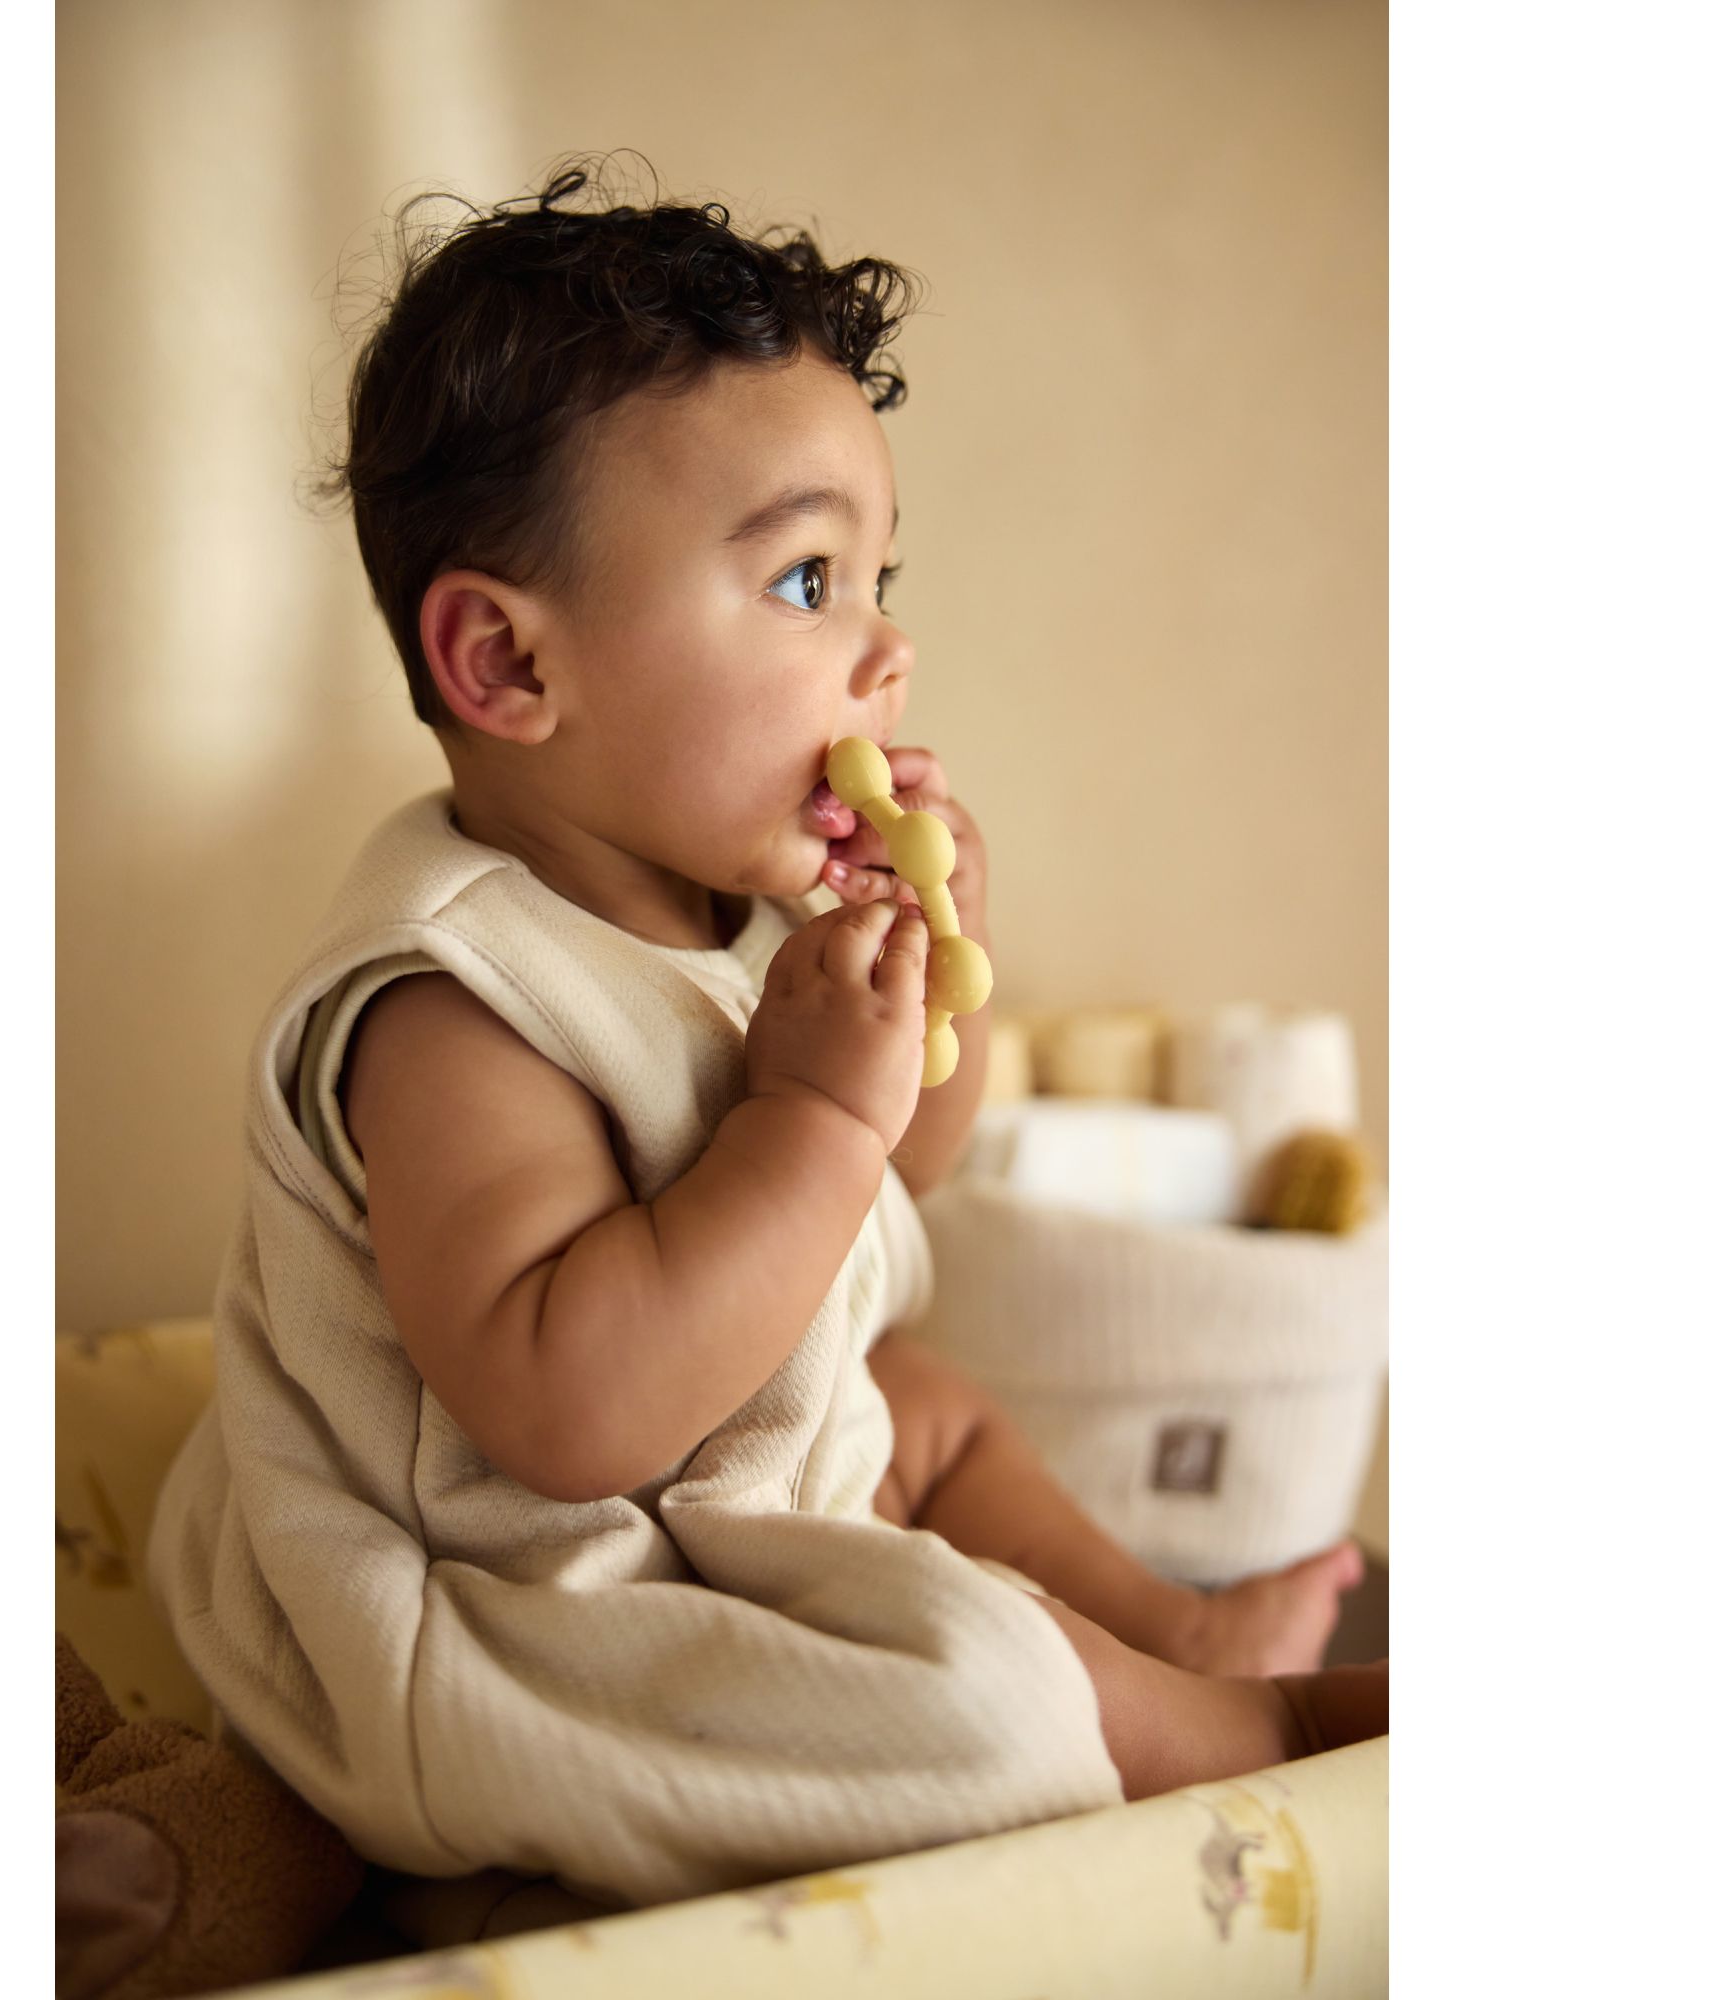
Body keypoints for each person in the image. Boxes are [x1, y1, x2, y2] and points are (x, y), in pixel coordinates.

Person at [148, 155, 1385, 1915]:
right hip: (527, 1600)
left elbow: (897, 1188)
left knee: (925, 1403)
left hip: (716, 1490)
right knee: (981, 1694)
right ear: (508, 666)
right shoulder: (451, 1007)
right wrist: (808, 1114)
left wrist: (925, 993)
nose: (886, 653)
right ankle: (1241, 1729)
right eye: (809, 583)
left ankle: (1166, 1633)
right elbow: (574, 1412)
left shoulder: (735, 908)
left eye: (880, 577)